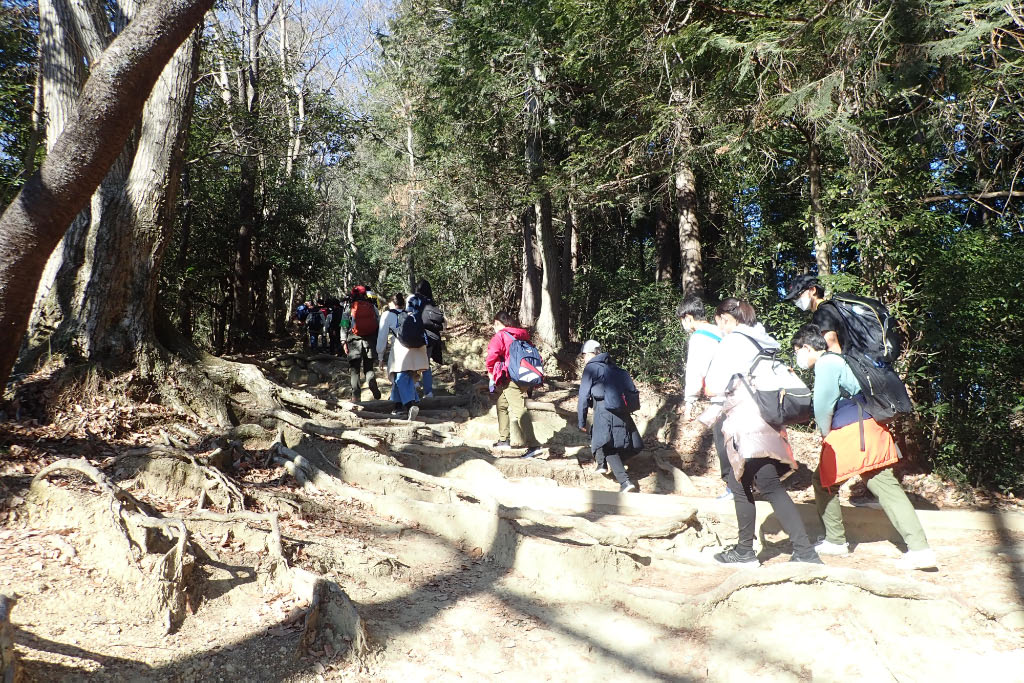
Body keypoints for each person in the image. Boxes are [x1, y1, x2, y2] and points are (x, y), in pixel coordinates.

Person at [791, 324, 937, 569]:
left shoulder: (827, 363)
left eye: (797, 351)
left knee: (876, 483)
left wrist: (825, 434)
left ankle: (919, 549)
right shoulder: (841, 361)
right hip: (863, 426)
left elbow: (823, 404)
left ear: (806, 347)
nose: (798, 357)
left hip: (853, 431)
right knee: (826, 480)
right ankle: (836, 540)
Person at [703, 298, 822, 565]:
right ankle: (763, 550)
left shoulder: (733, 342)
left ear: (726, 319)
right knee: (750, 483)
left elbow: (713, 385)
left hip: (745, 423)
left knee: (755, 485)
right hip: (767, 420)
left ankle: (790, 551)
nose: (718, 327)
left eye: (718, 322)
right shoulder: (763, 340)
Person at [677, 295, 730, 500]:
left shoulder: (700, 336)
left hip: (721, 398)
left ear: (688, 317)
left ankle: (733, 488)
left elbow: (695, 370)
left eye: (682, 320)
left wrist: (689, 402)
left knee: (723, 440)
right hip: (740, 395)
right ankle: (747, 484)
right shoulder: (722, 331)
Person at [577, 340, 643, 493]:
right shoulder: (612, 366)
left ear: (589, 354)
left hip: (603, 410)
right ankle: (602, 464)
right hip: (622, 411)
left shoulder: (591, 368)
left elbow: (583, 397)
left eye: (583, 356)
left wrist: (581, 420)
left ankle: (624, 482)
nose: (583, 359)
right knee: (634, 445)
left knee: (607, 446)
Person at [485, 312, 542, 458]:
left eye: (494, 324)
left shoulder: (501, 336)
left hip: (511, 379)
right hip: (524, 376)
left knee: (519, 410)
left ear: (498, 323)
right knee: (501, 404)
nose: (493, 328)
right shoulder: (521, 335)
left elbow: (492, 355)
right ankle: (504, 439)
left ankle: (534, 445)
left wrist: (491, 372)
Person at [376, 293, 428, 420]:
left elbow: (382, 336)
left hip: (400, 350)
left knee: (399, 377)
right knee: (404, 377)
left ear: (392, 303)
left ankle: (410, 405)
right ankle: (398, 406)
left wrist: (380, 355)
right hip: (417, 350)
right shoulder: (410, 314)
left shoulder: (387, 314)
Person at [783, 274, 844, 354]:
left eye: (798, 295)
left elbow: (833, 348)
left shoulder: (822, 313)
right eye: (794, 299)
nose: (796, 301)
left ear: (813, 290)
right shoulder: (830, 308)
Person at [342, 286, 381, 402]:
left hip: (354, 341)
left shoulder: (349, 307)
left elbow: (344, 325)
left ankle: (356, 396)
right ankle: (372, 383)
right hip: (370, 341)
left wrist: (343, 341)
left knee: (354, 370)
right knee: (369, 368)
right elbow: (378, 323)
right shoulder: (372, 307)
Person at [414, 279, 445, 398]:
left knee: (414, 362)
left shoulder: (415, 302)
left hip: (418, 337)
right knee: (426, 364)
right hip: (431, 339)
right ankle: (429, 392)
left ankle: (415, 385)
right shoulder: (432, 303)